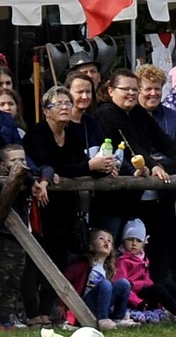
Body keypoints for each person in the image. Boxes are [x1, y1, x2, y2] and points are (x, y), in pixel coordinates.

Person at [22, 86, 112, 325]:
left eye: (67, 103)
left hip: (65, 207)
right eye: (58, 104)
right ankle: (32, 313)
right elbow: (48, 166)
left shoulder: (72, 134)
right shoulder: (37, 134)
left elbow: (76, 165)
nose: (64, 107)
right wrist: (86, 167)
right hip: (40, 205)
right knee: (35, 259)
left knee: (60, 259)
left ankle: (47, 309)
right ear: (45, 111)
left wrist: (101, 168)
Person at [94, 69, 176, 242]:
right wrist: (154, 165)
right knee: (109, 244)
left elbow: (161, 138)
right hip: (112, 196)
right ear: (111, 91)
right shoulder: (106, 112)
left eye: (134, 89)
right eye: (126, 89)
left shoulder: (137, 112)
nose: (131, 93)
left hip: (134, 195)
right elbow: (130, 144)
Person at [133, 64, 176, 283]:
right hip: (136, 196)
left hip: (166, 194)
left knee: (168, 246)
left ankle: (169, 298)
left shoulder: (172, 117)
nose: (153, 93)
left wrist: (159, 162)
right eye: (148, 88)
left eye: (157, 88)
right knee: (136, 246)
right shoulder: (130, 117)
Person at [114, 218, 176, 323]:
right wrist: (138, 302)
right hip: (134, 299)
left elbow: (147, 280)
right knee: (158, 289)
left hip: (144, 293)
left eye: (138, 240)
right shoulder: (122, 261)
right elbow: (123, 287)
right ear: (123, 240)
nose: (134, 243)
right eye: (130, 239)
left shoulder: (143, 258)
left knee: (169, 284)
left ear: (144, 242)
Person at [0, 145, 42, 329]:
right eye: (14, 161)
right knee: (3, 278)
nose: (20, 164)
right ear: (3, 165)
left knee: (15, 281)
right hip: (4, 235)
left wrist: (37, 180)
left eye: (23, 160)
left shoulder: (27, 179)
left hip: (21, 237)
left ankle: (6, 318)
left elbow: (45, 169)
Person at [64, 229, 137, 330]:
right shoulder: (84, 264)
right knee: (106, 284)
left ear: (111, 250)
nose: (106, 241)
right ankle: (103, 319)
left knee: (124, 283)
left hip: (100, 305)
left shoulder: (107, 270)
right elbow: (65, 281)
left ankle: (118, 318)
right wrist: (61, 304)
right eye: (101, 239)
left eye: (109, 240)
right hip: (83, 306)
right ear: (91, 246)